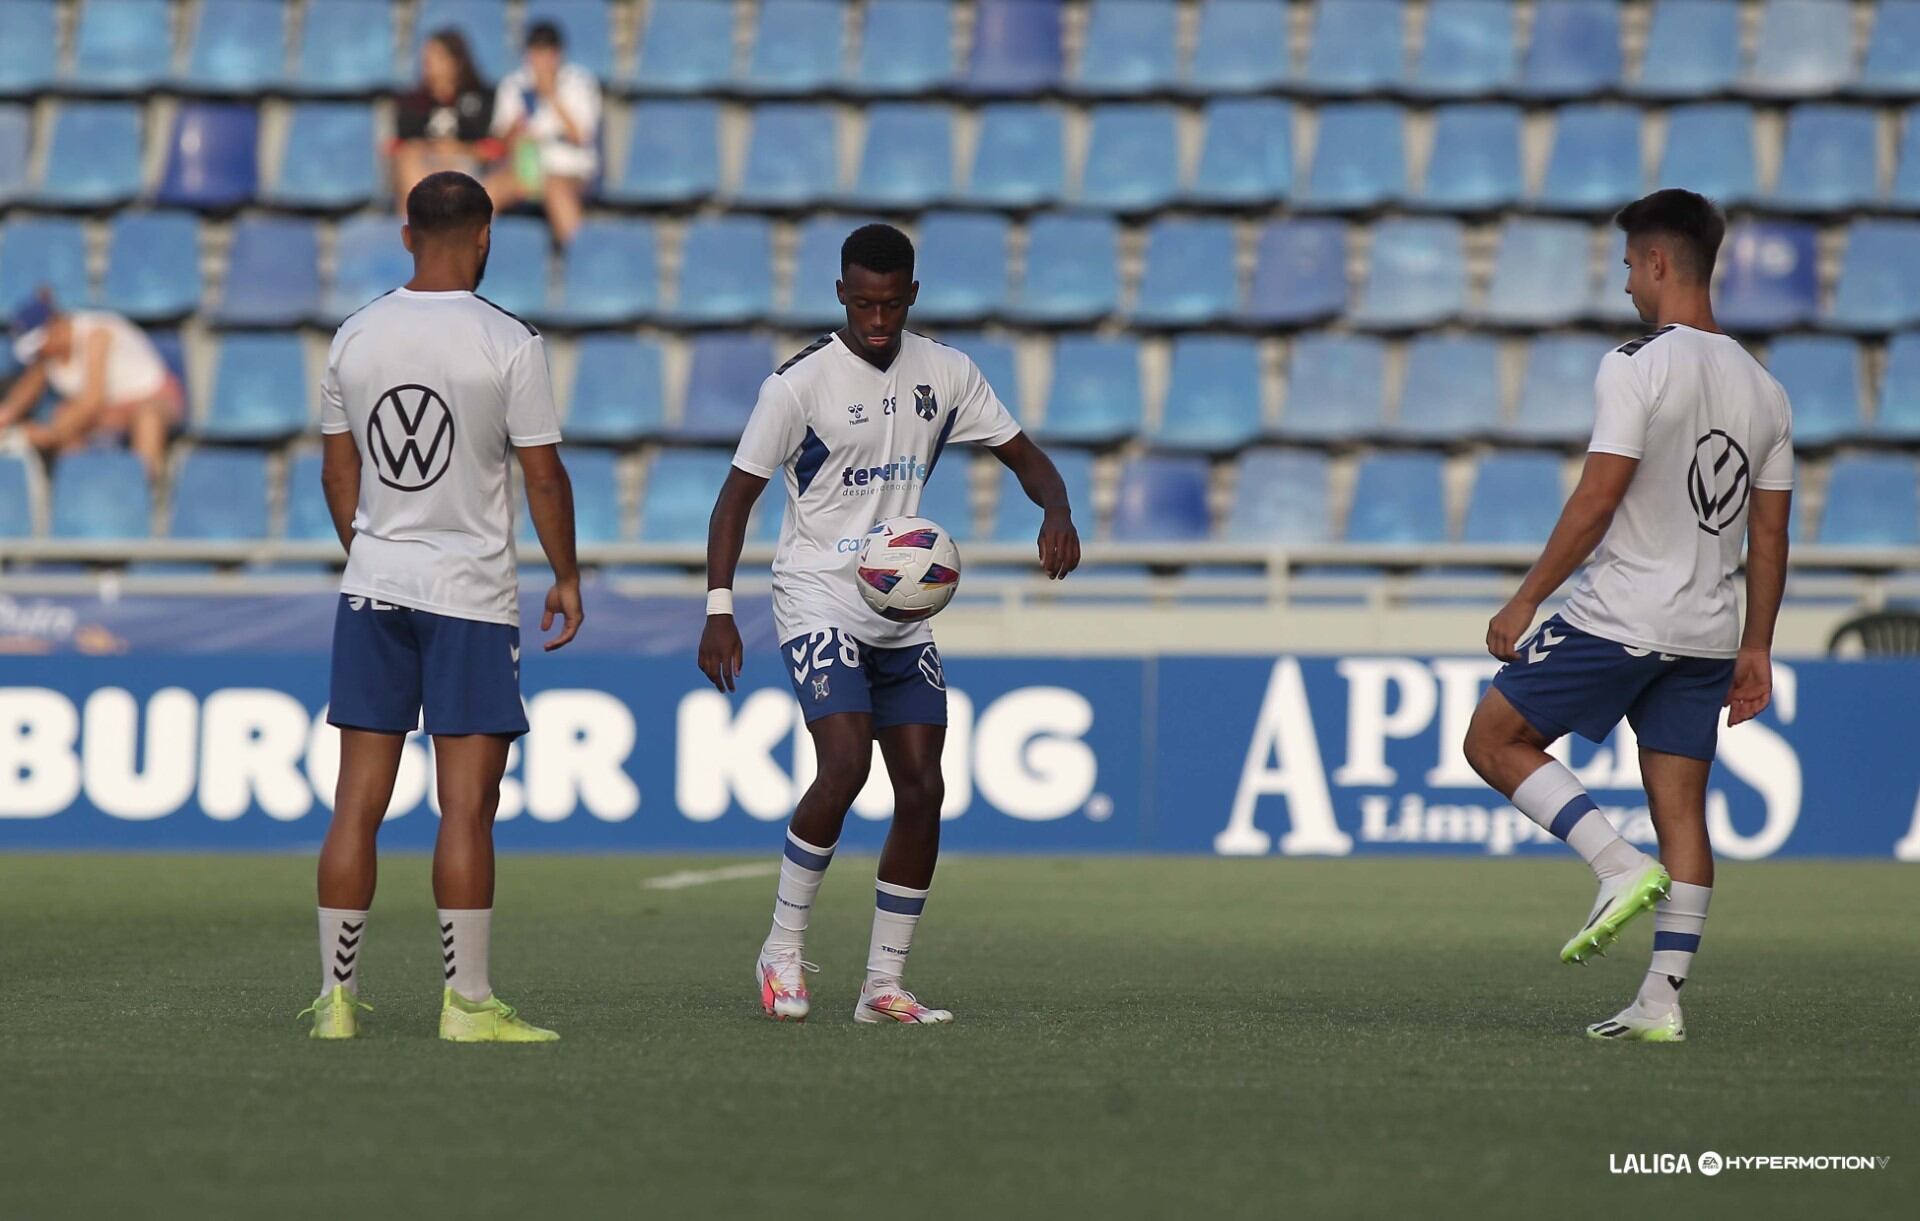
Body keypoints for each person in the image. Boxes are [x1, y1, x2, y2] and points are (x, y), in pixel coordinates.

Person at [699, 223, 1081, 1026]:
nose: (877, 318)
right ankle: (781, 949)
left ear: (912, 294)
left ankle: (882, 985)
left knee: (924, 786)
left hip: (901, 605)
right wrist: (720, 607)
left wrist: (1057, 507)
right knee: (843, 766)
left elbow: (1025, 455)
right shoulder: (797, 386)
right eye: (862, 303)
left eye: (890, 303)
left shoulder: (946, 372)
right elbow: (736, 498)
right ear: (841, 293)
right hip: (818, 594)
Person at [1461, 189, 1793, 1043]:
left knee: (1492, 739)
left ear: (1656, 263)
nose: (1625, 289)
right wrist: (1756, 645)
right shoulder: (1766, 390)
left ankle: (1614, 864)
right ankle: (1660, 1000)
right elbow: (1770, 531)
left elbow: (1600, 493)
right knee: (1684, 808)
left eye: (1627, 269)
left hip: (1624, 612)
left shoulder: (1637, 362)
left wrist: (1528, 594)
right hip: (1710, 631)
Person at [302, 171, 584, 1043]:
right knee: (465, 806)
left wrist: (376, 552)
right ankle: (466, 1004)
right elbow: (542, 474)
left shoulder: (355, 336)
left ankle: (336, 1001)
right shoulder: (509, 341)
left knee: (357, 802)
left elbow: (337, 471)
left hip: (375, 587)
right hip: (469, 596)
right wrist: (566, 577)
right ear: (487, 235)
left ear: (405, 235)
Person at [1, 294, 184, 481]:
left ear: (55, 325)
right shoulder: (46, 355)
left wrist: (49, 435)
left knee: (147, 417)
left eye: (39, 343)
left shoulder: (96, 333)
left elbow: (92, 400)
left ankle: (145, 490)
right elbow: (26, 390)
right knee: (65, 416)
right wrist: (4, 419)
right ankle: (82, 486)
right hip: (111, 409)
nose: (39, 351)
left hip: (154, 397)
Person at [483, 21, 600, 247]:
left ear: (559, 54)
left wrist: (551, 96)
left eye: (548, 54)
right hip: (523, 168)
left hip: (569, 169)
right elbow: (498, 144)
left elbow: (582, 137)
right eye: (536, 54)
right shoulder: (514, 85)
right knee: (485, 192)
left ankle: (580, 258)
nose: (542, 62)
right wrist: (518, 124)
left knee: (556, 189)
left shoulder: (580, 83)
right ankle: (472, 260)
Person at [390, 29, 498, 212]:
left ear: (456, 62)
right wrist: (434, 148)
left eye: (437, 56)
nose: (428, 63)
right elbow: (404, 145)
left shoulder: (482, 100)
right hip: (424, 167)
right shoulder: (412, 103)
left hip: (466, 168)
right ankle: (419, 227)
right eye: (426, 58)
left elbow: (491, 149)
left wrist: (457, 149)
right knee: (408, 158)